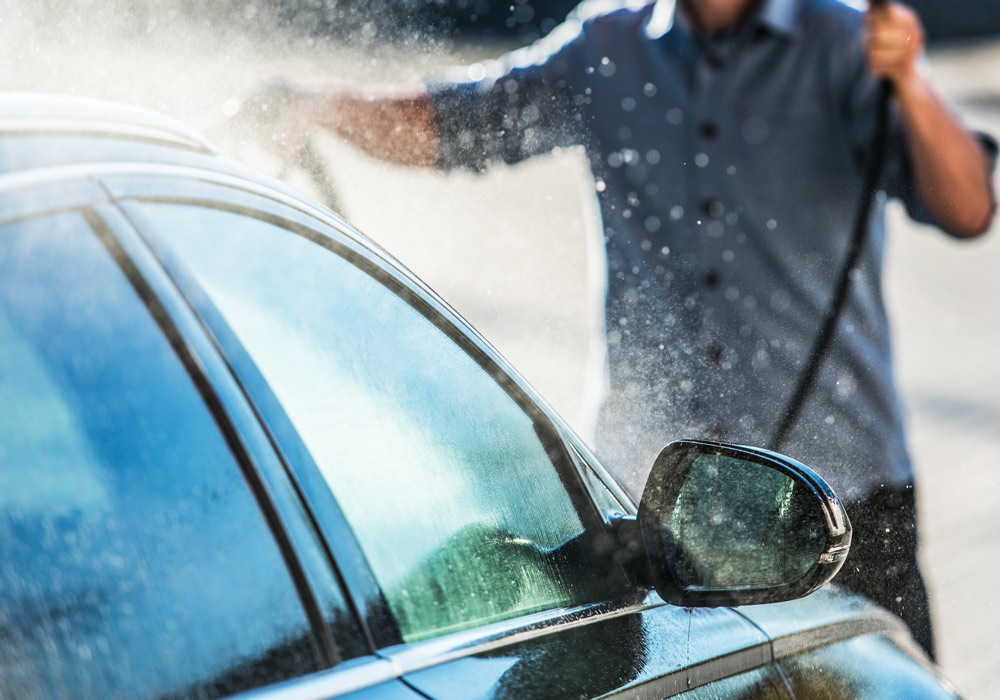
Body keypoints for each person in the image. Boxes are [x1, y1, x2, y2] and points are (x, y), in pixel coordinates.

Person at [272, 0, 996, 659]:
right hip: (659, 519)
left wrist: (912, 85)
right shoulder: (607, 46)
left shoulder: (843, 42)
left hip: (838, 510)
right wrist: (321, 108)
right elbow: (458, 124)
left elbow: (966, 206)